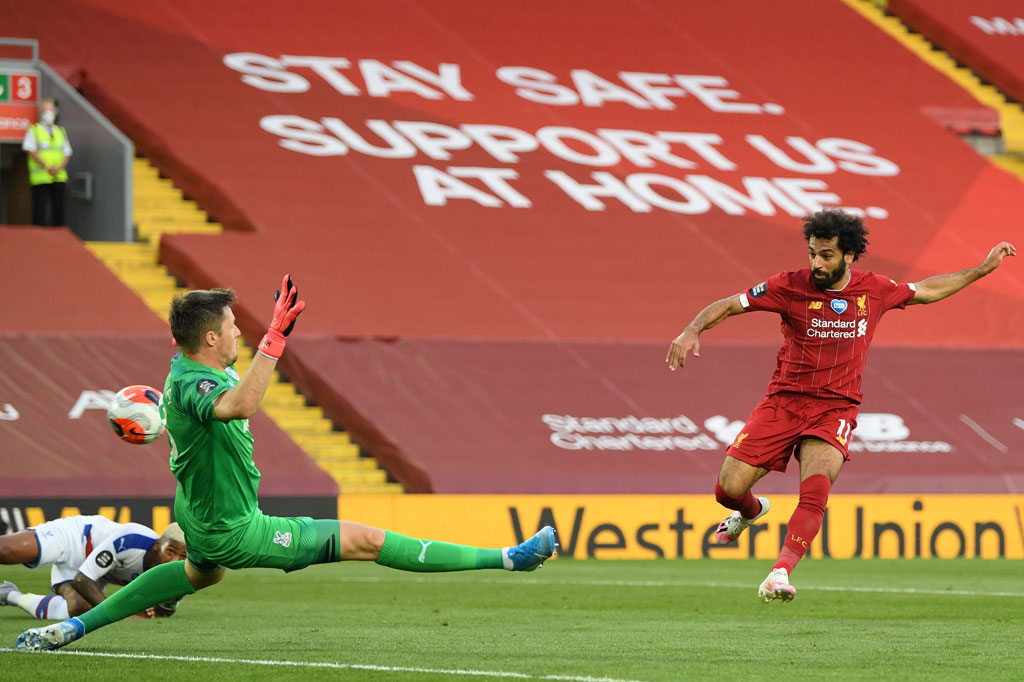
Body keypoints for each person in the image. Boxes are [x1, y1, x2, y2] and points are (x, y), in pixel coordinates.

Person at [15, 274, 556, 651]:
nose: (239, 332)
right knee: (367, 540)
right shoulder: (197, 381)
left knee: (200, 574)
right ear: (210, 337)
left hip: (199, 515)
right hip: (234, 527)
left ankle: (71, 628)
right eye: (232, 326)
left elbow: (212, 392)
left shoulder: (190, 368)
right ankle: (510, 558)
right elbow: (238, 406)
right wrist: (275, 340)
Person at [664, 209, 1015, 603]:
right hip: (784, 402)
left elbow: (928, 290)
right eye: (812, 253)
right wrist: (691, 330)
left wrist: (981, 270)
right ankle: (750, 511)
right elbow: (731, 304)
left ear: (849, 255)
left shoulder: (875, 290)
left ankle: (780, 572)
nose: (817, 263)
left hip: (835, 408)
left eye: (826, 255)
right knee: (727, 490)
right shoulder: (788, 285)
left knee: (815, 490)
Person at [0, 517, 187, 620]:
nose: (175, 561)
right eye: (170, 552)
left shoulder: (180, 572)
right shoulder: (132, 539)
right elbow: (82, 580)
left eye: (183, 557)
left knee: (78, 608)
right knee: (5, 551)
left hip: (97, 574)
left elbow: (165, 609)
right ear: (158, 545)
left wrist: (148, 613)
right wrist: (120, 614)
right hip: (76, 539)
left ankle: (10, 595)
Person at [22, 97, 72, 227]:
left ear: (55, 111)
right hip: (40, 178)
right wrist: (47, 166)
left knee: (58, 211)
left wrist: (59, 168)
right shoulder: (34, 130)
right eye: (45, 110)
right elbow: (31, 150)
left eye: (50, 110)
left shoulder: (61, 131)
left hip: (59, 177)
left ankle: (58, 235)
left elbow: (67, 152)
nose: (48, 113)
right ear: (40, 112)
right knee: (39, 211)